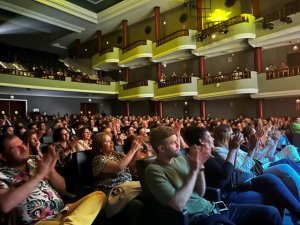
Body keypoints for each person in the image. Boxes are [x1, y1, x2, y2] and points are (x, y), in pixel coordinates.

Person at [145, 126, 281, 225]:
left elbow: (201, 191)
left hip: (213, 207)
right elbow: (178, 205)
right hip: (198, 218)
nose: (178, 144)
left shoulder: (180, 159)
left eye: (177, 141)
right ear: (161, 149)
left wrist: (199, 168)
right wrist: (194, 170)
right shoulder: (154, 171)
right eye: (173, 143)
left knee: (271, 213)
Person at [183, 126, 300, 219]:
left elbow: (234, 168)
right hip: (232, 189)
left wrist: (239, 148)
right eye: (209, 136)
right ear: (201, 141)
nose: (212, 138)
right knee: (274, 178)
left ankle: (297, 211)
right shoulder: (209, 155)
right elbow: (226, 174)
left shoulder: (211, 154)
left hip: (240, 181)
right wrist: (234, 149)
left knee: (277, 176)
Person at [0, 134, 106, 225]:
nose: (23, 148)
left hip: (64, 213)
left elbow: (62, 187)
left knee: (99, 195)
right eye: (15, 147)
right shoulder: (2, 175)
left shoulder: (34, 161)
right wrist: (40, 175)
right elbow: (4, 205)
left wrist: (50, 169)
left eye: (22, 144)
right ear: (3, 156)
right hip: (39, 222)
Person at [91, 132, 144, 224]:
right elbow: (118, 167)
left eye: (111, 140)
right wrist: (132, 149)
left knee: (150, 195)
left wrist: (137, 150)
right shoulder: (98, 159)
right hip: (114, 191)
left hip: (129, 187)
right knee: (138, 206)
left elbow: (131, 165)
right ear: (99, 147)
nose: (111, 142)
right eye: (107, 141)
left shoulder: (117, 154)